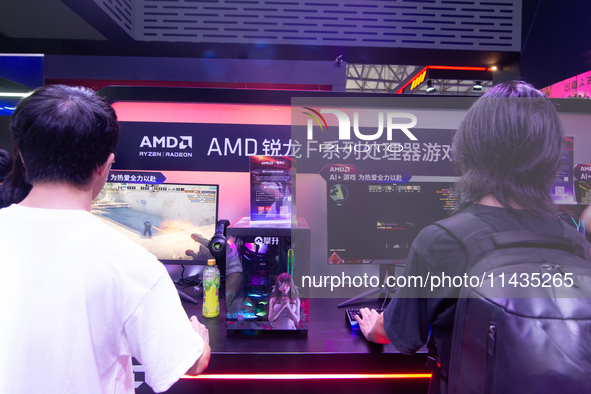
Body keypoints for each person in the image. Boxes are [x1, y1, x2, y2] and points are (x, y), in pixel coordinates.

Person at [354, 81, 588, 393]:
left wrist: (373, 328)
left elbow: (404, 336)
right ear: (550, 155)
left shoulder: (441, 241)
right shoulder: (575, 241)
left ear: (470, 147)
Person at [0, 85, 210, 394]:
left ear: (22, 156)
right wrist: (200, 341)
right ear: (105, 164)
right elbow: (188, 363)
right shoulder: (131, 263)